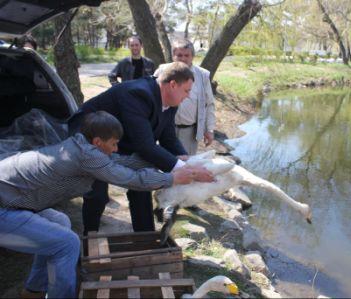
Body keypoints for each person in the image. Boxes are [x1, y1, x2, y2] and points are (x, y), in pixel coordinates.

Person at [0, 111, 211, 298]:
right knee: (67, 244)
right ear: (99, 142)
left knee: (60, 221)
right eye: (113, 144)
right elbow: (131, 179)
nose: (116, 148)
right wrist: (172, 178)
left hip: (12, 200)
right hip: (4, 206)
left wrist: (170, 160)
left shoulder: (81, 146)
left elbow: (121, 162)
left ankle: (33, 291)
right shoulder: (86, 157)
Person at [69, 62, 207, 234]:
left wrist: (185, 158)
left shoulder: (171, 101)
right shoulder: (139, 94)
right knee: (97, 191)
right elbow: (145, 145)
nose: (188, 96)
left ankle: (145, 234)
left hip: (123, 139)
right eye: (186, 90)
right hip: (91, 139)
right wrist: (185, 169)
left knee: (145, 176)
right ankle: (90, 236)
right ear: (172, 85)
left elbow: (168, 138)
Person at [155, 39, 215, 155]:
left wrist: (209, 129)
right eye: (179, 55)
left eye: (186, 55)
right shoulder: (162, 70)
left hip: (190, 133)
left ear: (192, 56)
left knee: (187, 165)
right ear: (173, 56)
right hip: (163, 129)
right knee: (163, 164)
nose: (183, 58)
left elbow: (209, 104)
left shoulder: (203, 75)